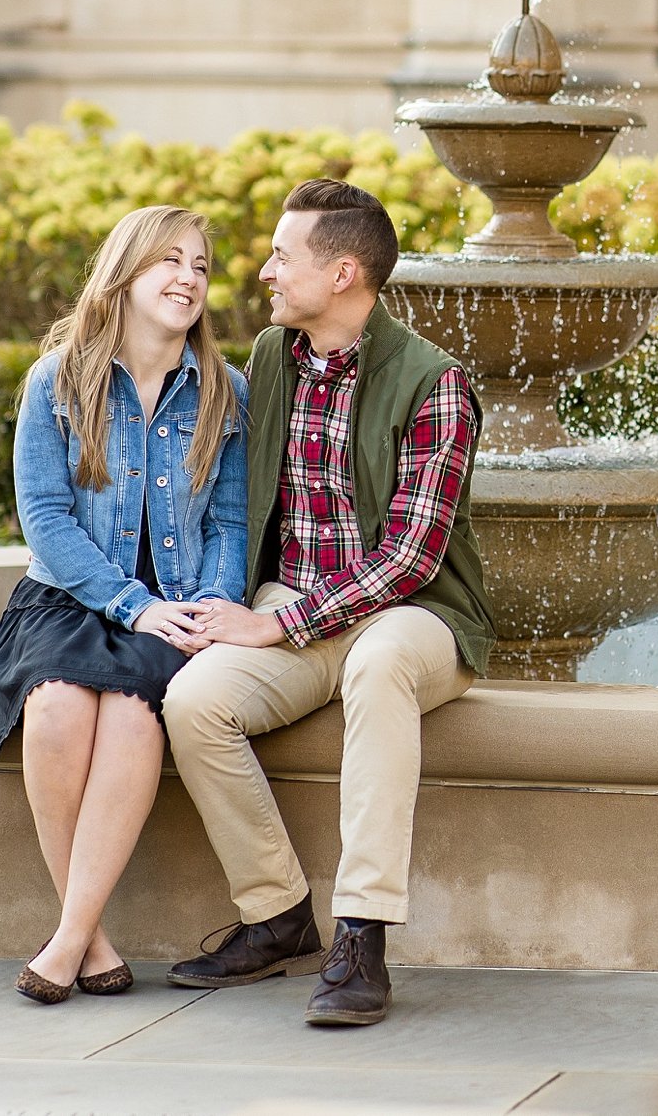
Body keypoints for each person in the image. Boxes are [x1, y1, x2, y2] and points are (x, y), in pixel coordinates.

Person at [162, 176, 495, 1027]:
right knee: (194, 701)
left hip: (412, 616)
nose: (265, 270)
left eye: (283, 254)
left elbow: (412, 556)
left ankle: (363, 933)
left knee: (380, 663)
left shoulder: (435, 383)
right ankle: (276, 914)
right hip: (301, 603)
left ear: (344, 272)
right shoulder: (273, 358)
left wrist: (276, 622)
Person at [0, 204, 250, 1004]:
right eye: (169, 260)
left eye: (200, 265)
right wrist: (130, 602)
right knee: (55, 707)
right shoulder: (58, 377)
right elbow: (46, 518)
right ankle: (88, 936)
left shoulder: (224, 393)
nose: (188, 277)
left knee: (132, 716)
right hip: (66, 600)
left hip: (175, 608)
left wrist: (211, 606)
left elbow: (231, 521)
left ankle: (64, 940)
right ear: (123, 275)